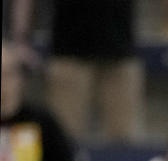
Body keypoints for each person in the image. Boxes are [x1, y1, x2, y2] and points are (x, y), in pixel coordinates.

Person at [10, 0, 144, 142]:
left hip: (120, 51)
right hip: (69, 52)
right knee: (64, 137)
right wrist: (20, 39)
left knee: (124, 139)